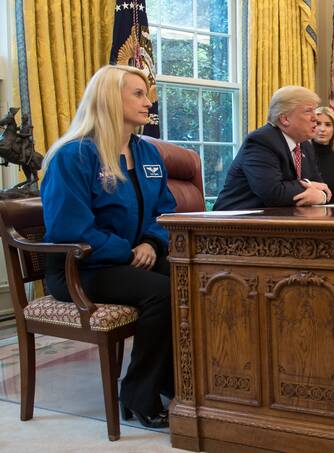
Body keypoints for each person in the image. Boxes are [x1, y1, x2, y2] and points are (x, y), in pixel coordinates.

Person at [41, 65, 176, 428]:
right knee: (162, 294)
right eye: (138, 94)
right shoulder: (74, 155)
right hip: (80, 268)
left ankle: (172, 379)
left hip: (132, 257)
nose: (149, 102)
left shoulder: (146, 153)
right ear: (109, 99)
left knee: (194, 280)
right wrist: (128, 252)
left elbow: (165, 210)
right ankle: (137, 393)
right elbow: (70, 228)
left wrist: (150, 241)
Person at [213, 86, 331, 210]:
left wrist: (321, 197)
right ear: (285, 119)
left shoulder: (305, 145)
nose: (316, 118)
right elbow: (273, 192)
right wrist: (309, 185)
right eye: (308, 111)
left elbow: (323, 187)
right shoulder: (261, 141)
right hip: (235, 222)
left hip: (278, 220)